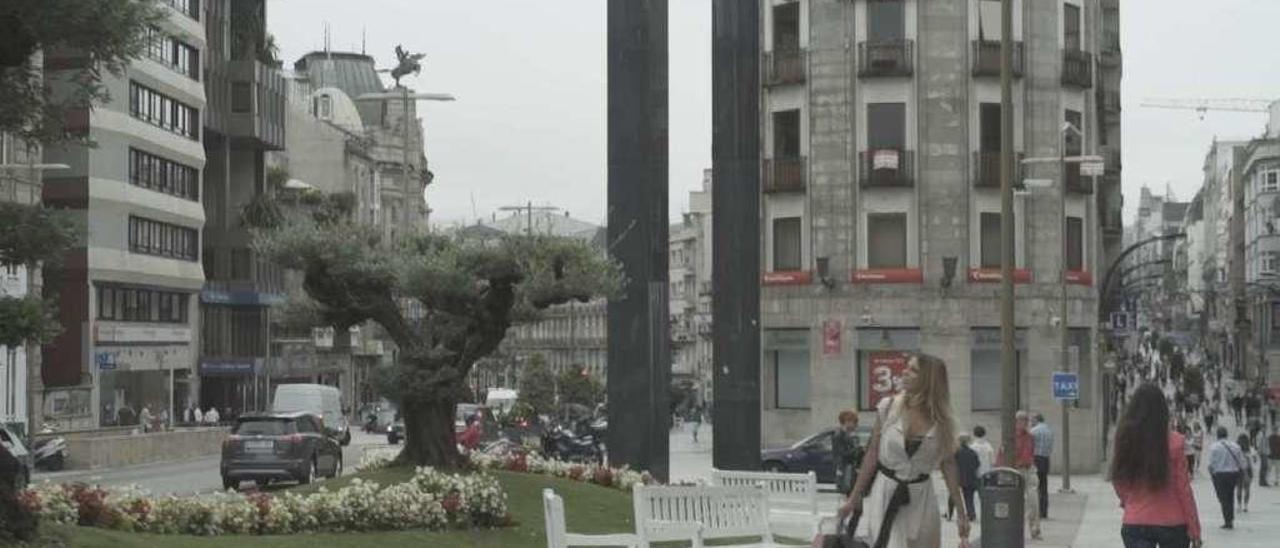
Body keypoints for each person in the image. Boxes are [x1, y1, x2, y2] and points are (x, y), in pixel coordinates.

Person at [839, 353, 970, 548]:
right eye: (907, 367)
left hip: (922, 499)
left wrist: (961, 512)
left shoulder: (943, 422)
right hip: (886, 492)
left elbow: (948, 463)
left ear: (928, 380)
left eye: (913, 370)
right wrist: (852, 499)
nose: (905, 372)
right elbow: (872, 454)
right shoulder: (888, 407)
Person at [1111, 383, 1202, 548]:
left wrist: (1128, 501)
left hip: (1136, 520)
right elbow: (1184, 489)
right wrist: (1194, 529)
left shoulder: (1125, 439)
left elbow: (1118, 480)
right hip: (1173, 522)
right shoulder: (1175, 442)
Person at [998, 410, 1041, 540]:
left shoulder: (1029, 437)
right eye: (1021, 420)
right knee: (1014, 501)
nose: (1024, 423)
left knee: (1032, 499)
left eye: (1025, 420)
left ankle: (1034, 528)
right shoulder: (1009, 437)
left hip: (1027, 469)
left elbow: (1028, 456)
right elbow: (1001, 454)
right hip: (1014, 470)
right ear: (1016, 422)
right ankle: (1014, 527)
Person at [1206, 426, 1245, 529]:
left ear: (1217, 435)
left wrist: (1211, 474)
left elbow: (1211, 464)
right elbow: (1241, 462)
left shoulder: (1214, 447)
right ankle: (1230, 518)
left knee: (1223, 498)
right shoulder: (1236, 446)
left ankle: (1227, 520)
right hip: (1233, 474)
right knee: (1230, 495)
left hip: (1220, 475)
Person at [833, 409, 863, 497]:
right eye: (854, 422)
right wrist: (857, 449)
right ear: (847, 422)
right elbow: (841, 453)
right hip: (845, 468)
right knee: (848, 492)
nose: (856, 425)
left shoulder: (849, 435)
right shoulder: (839, 435)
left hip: (850, 468)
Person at [951, 433, 980, 523]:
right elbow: (977, 464)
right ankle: (971, 514)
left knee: (953, 495)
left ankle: (950, 513)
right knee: (969, 498)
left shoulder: (956, 452)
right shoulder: (973, 453)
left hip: (958, 477)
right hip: (970, 478)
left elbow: (951, 464)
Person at [1030, 413, 1054, 519]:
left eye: (1032, 420)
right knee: (1044, 486)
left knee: (1034, 486)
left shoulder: (1034, 431)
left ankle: (1036, 511)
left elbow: (1030, 446)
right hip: (1046, 458)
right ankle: (1044, 511)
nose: (1031, 422)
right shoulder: (1049, 430)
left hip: (1036, 458)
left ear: (1036, 420)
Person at [1235, 434, 1254, 512]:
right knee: (1247, 488)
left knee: (1239, 488)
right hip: (1248, 470)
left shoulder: (1236, 450)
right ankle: (1245, 506)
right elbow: (1253, 460)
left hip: (1239, 470)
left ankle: (1239, 505)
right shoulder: (1250, 450)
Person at [1253, 421, 1271, 487]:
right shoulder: (1259, 435)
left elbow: (1267, 444)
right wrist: (1258, 452)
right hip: (1261, 453)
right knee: (1263, 467)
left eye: (1265, 427)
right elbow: (1257, 444)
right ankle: (1262, 481)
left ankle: (1263, 480)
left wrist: (1268, 452)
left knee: (1265, 467)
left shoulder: (1266, 435)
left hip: (1265, 452)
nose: (1264, 429)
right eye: (1263, 427)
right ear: (1261, 428)